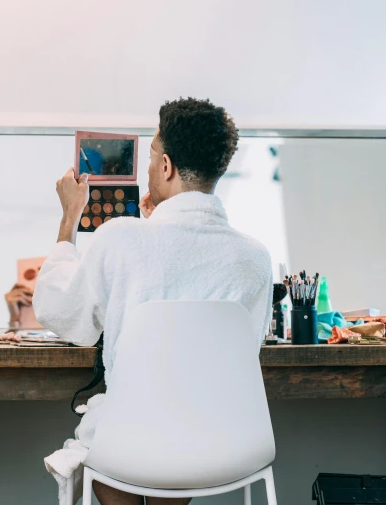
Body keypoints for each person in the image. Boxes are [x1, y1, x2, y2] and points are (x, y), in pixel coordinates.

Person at [34, 98, 273, 505]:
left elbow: (61, 313)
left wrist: (68, 220)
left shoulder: (121, 238)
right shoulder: (255, 258)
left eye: (150, 158)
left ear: (165, 167)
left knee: (121, 439)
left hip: (130, 446)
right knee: (175, 438)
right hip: (220, 446)